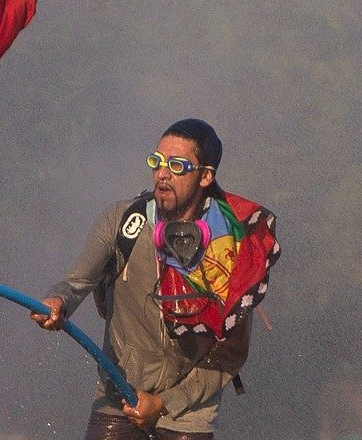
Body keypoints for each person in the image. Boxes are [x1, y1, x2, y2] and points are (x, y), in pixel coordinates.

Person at [31, 119, 279, 439]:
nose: (163, 173)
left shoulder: (232, 247)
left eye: (177, 165)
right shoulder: (121, 221)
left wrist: (164, 402)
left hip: (188, 412)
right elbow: (75, 284)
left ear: (206, 176)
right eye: (157, 162)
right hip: (119, 396)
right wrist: (57, 302)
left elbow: (230, 354)